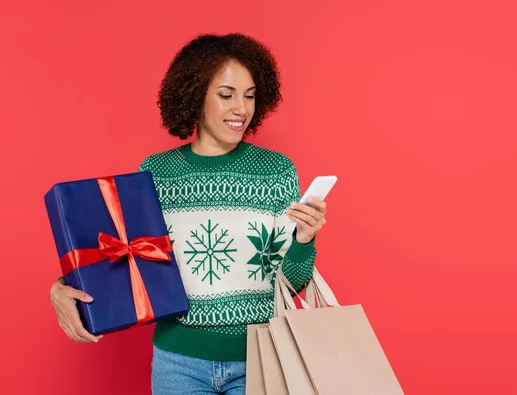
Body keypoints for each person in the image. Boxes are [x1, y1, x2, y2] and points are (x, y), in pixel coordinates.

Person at [49, 33, 328, 394]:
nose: (241, 108)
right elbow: (122, 258)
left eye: (250, 95)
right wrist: (60, 289)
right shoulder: (156, 172)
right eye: (226, 95)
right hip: (177, 365)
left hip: (262, 357)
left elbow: (293, 284)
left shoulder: (276, 171)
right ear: (196, 97)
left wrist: (304, 242)